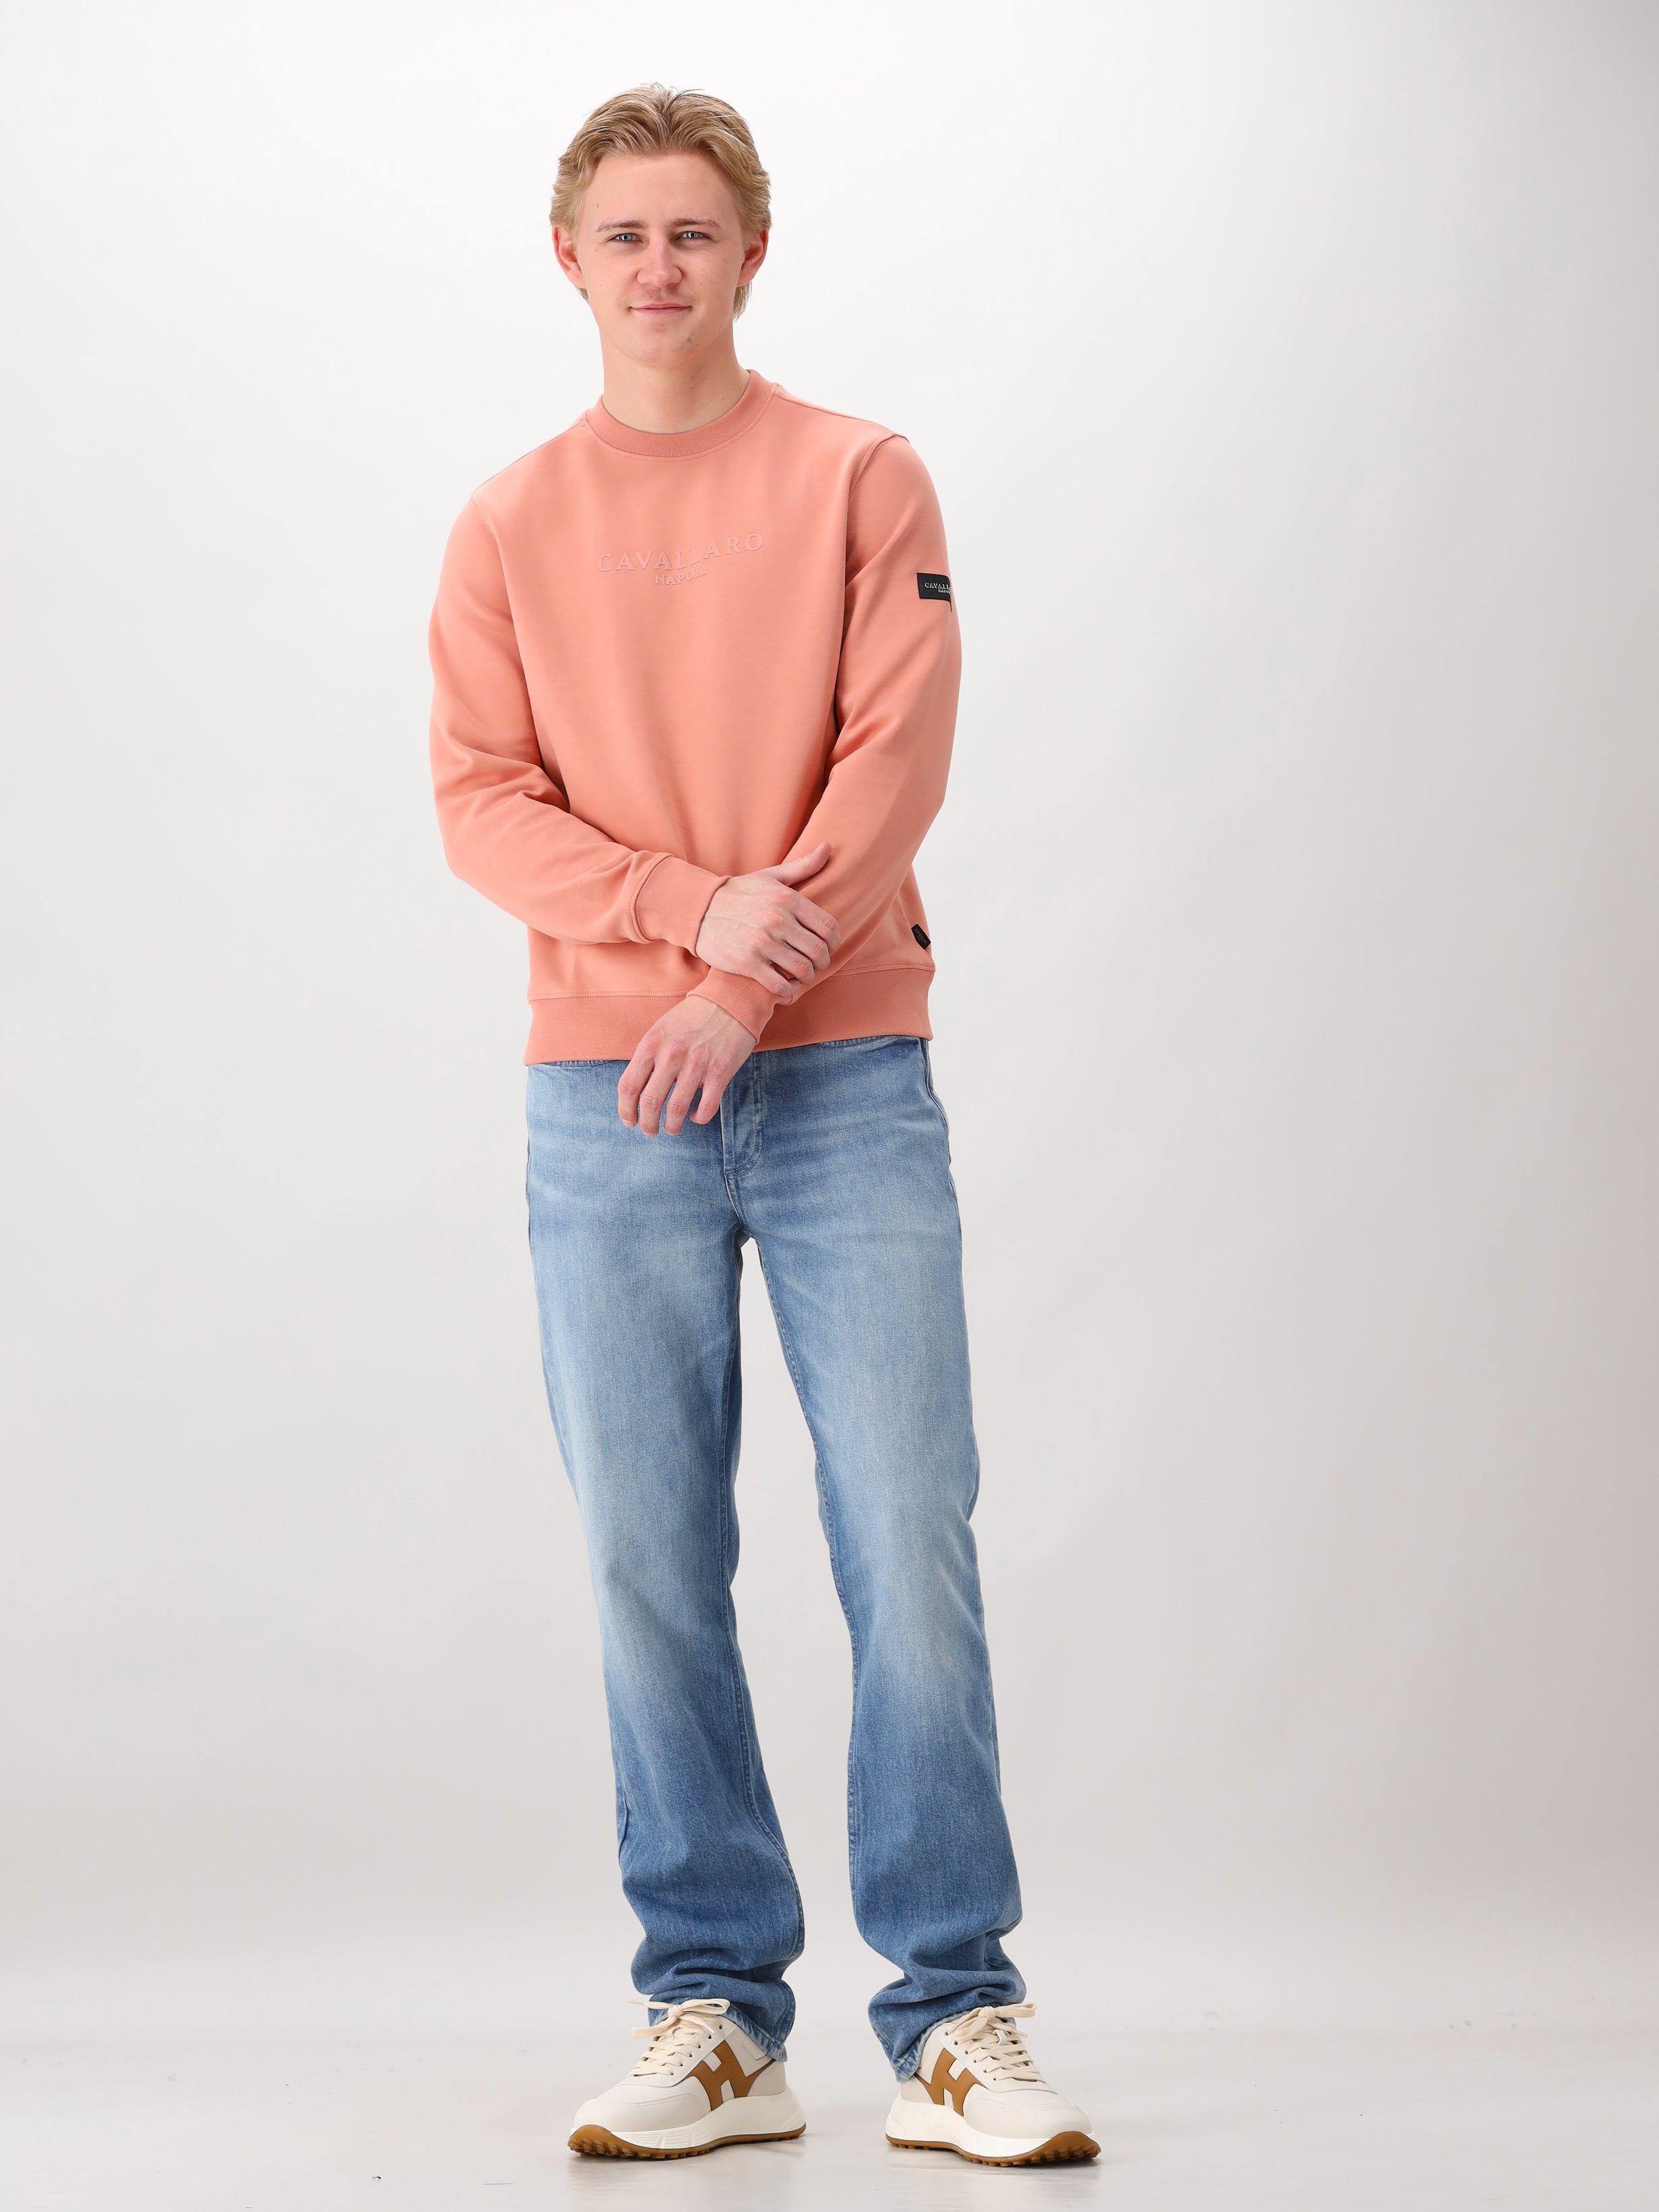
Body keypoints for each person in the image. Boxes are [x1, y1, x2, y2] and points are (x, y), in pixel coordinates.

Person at [427, 82, 1097, 2169]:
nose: (659, 267)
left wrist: (743, 980)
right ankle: (716, 2007)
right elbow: (479, 802)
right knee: (649, 1557)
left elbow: (897, 751)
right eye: (624, 234)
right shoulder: (506, 524)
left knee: (906, 1531)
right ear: (567, 261)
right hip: (599, 1100)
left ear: (752, 252)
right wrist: (674, 913)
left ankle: (956, 2015)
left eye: (694, 231)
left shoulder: (858, 476)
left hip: (840, 1080)